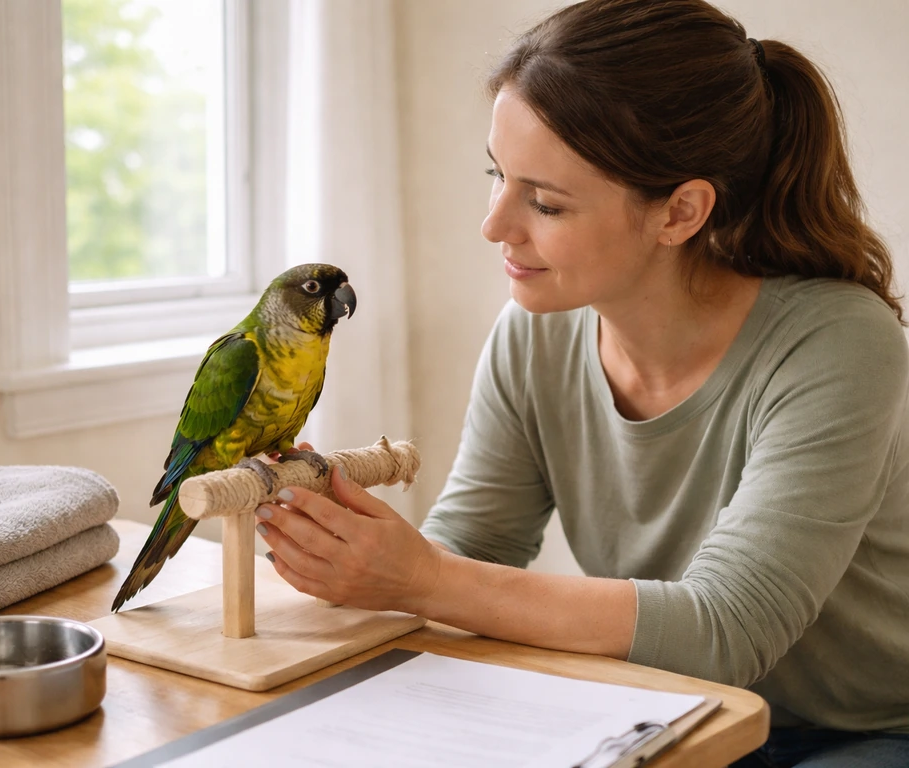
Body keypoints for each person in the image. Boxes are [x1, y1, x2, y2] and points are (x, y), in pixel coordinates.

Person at [253, 1, 909, 765]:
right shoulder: (535, 331)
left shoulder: (838, 341)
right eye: (497, 175)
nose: (495, 225)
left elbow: (727, 630)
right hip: (660, 702)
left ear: (680, 212)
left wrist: (422, 578)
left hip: (862, 731)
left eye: (546, 201)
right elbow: (474, 548)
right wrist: (347, 553)